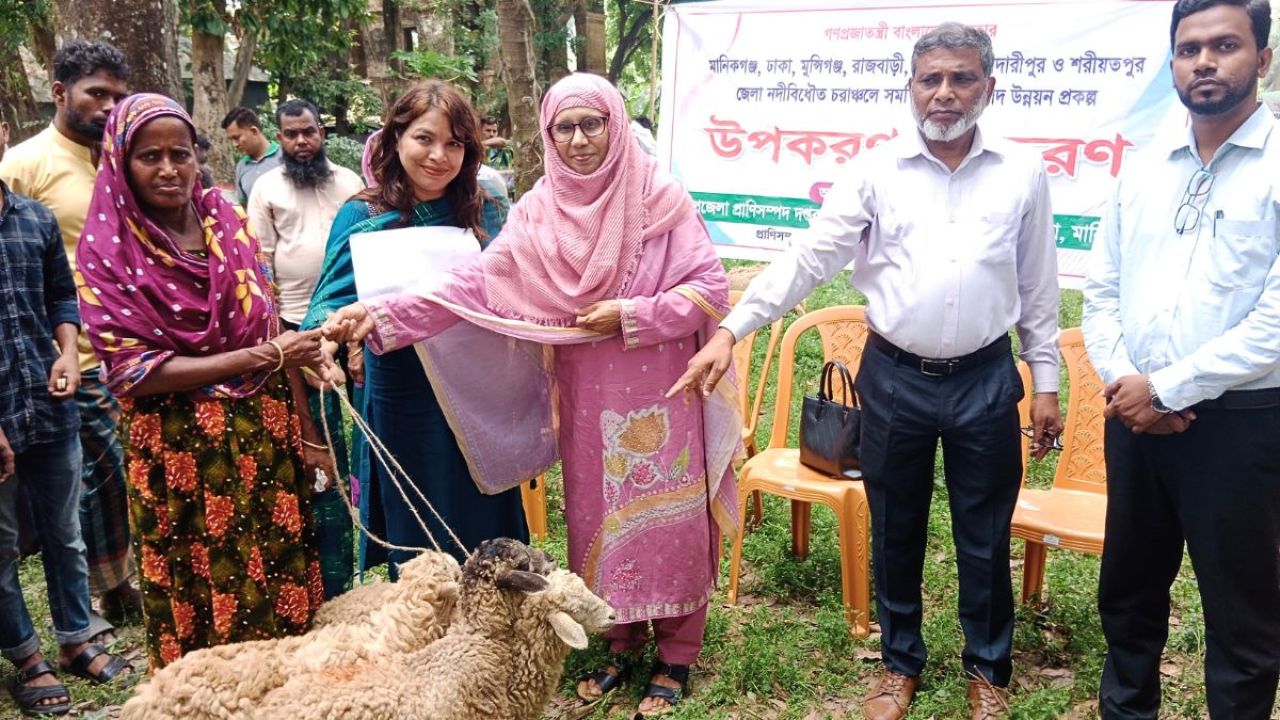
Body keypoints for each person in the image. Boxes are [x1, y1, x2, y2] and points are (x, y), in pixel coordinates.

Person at [671, 23, 1062, 720]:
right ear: (910, 88)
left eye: (962, 78)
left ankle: (988, 670)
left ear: (989, 87)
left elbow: (1037, 287)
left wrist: (1048, 383)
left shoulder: (1022, 173)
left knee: (984, 528)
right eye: (930, 79)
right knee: (895, 524)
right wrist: (734, 327)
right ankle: (898, 664)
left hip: (985, 378)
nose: (945, 93)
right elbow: (810, 258)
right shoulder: (875, 170)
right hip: (894, 377)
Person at [321, 72, 741, 719]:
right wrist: (381, 316)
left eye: (591, 124)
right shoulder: (540, 211)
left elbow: (708, 290)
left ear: (615, 125)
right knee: (597, 518)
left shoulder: (661, 198)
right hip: (584, 397)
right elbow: (475, 286)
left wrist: (630, 314)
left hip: (662, 393)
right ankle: (618, 640)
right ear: (548, 135)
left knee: (667, 517)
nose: (579, 139)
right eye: (564, 127)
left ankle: (676, 654)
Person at [75, 94, 332, 668]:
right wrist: (261, 356)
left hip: (262, 434)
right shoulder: (107, 247)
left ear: (197, 156)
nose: (168, 169)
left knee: (278, 570)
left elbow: (270, 331)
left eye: (180, 154)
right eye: (149, 156)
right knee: (206, 586)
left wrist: (308, 431)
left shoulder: (225, 216)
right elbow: (133, 374)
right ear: (120, 162)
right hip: (179, 449)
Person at [1082, 0, 1280, 717]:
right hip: (1134, 422)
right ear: (1172, 63)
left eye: (1224, 45)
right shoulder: (1142, 170)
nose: (1204, 61)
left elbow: (1275, 324)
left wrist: (1165, 388)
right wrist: (1128, 386)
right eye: (1188, 48)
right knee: (1128, 596)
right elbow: (1100, 292)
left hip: (1242, 426)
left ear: (1262, 59)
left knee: (1244, 617)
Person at [302, 80, 525, 575]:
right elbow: (329, 300)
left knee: (482, 502)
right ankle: (426, 616)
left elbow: (510, 289)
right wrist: (329, 331)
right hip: (402, 392)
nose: (438, 156)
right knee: (417, 511)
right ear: (395, 139)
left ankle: (496, 610)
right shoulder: (363, 213)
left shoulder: (486, 210)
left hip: (478, 388)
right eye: (424, 139)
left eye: (454, 143)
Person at [0, 39, 140, 630]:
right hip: (64, 358)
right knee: (93, 482)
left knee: (130, 473)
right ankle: (109, 593)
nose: (110, 107)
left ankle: (126, 581)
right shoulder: (25, 166)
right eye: (96, 94)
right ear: (60, 94)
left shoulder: (125, 159)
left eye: (118, 95)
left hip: (132, 349)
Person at [0, 176, 133, 717]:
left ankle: (76, 638)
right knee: (1, 547)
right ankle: (28, 659)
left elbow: (61, 294)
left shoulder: (34, 217)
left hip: (48, 403)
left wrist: (68, 352)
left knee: (65, 532)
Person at [247, 98, 363, 598]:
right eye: (291, 134)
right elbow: (261, 264)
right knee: (318, 437)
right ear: (280, 136)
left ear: (321, 132)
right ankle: (332, 556)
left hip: (353, 322)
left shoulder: (350, 184)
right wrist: (282, 334)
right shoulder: (267, 188)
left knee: (365, 425)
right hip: (295, 326)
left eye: (309, 132)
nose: (301, 142)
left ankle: (369, 499)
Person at [221, 106, 282, 205]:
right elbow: (244, 206)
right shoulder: (241, 167)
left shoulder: (285, 156)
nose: (235, 144)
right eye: (231, 140)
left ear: (254, 131)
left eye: (236, 138)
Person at [479, 114, 515, 194]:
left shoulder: (502, 148)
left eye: (494, 131)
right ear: (479, 131)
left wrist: (480, 144)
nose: (492, 134)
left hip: (503, 191)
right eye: (488, 130)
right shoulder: (474, 150)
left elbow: (503, 142)